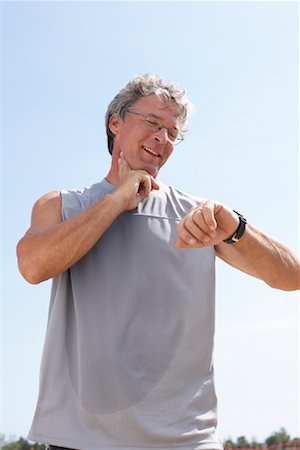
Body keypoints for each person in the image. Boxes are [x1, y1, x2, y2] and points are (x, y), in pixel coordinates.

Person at [17, 74, 299, 450]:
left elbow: (291, 276)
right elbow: (32, 266)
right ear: (115, 122)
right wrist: (116, 201)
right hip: (77, 440)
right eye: (152, 123)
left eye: (171, 132)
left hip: (186, 441)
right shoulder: (61, 205)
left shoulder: (200, 218)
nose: (162, 138)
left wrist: (235, 227)